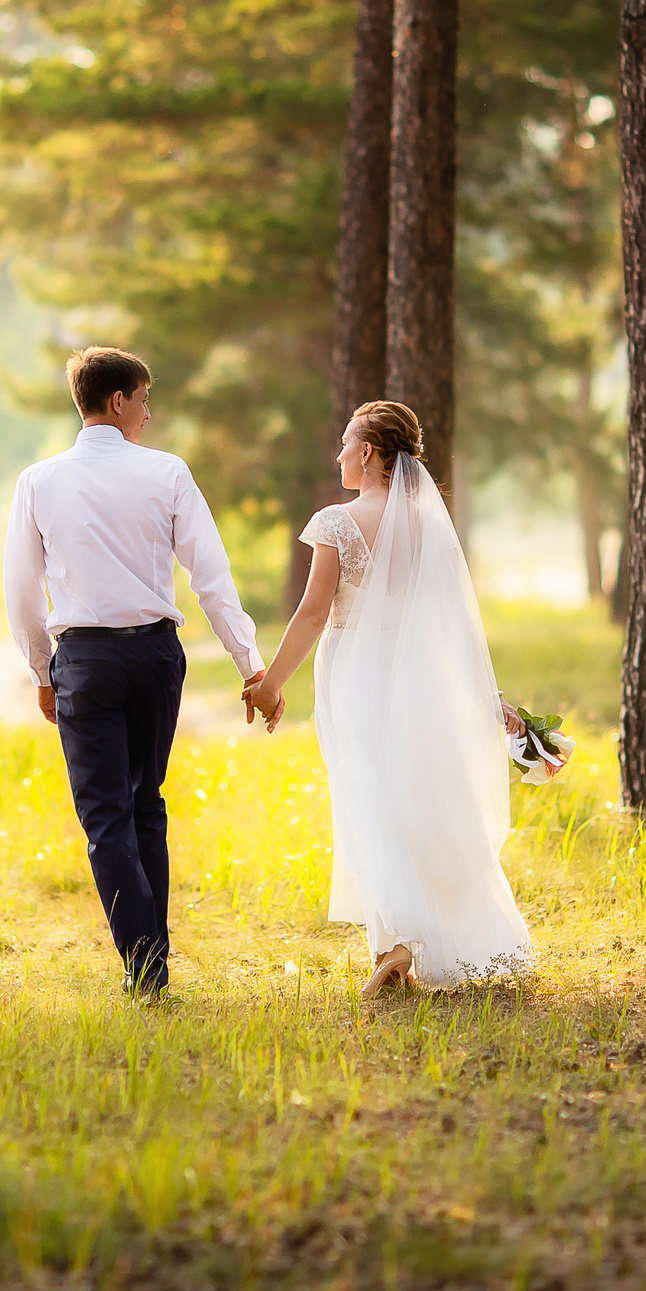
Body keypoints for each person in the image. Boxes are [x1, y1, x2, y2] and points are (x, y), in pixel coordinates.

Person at [243, 401, 536, 994]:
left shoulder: (336, 522)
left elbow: (313, 610)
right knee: (412, 797)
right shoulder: (429, 525)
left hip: (356, 673)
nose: (339, 454)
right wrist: (486, 695)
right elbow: (451, 623)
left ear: (369, 453)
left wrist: (272, 680)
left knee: (366, 799)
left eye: (346, 443)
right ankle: (395, 946)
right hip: (419, 673)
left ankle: (398, 944)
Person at [5, 346, 266, 996]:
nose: (148, 414)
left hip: (86, 661)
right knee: (144, 804)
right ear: (117, 401)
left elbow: (20, 588)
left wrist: (44, 669)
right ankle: (152, 961)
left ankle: (146, 968)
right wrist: (250, 663)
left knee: (105, 817)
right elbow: (211, 575)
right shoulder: (167, 472)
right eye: (144, 400)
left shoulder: (38, 481)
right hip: (154, 658)